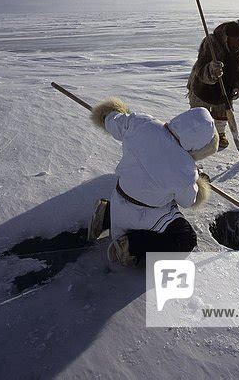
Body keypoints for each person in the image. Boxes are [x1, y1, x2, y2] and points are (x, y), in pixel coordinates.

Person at [87, 98, 219, 266]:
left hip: (119, 199)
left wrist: (109, 115)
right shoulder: (185, 170)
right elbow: (187, 201)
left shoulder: (141, 122)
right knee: (186, 239)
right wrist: (197, 181)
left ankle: (106, 214)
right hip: (146, 214)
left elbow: (113, 121)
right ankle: (132, 246)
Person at [187, 20, 239, 149]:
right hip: (202, 86)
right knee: (200, 113)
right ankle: (199, 135)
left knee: (222, 112)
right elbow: (200, 67)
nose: (237, 47)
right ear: (227, 38)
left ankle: (220, 134)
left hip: (226, 85)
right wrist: (211, 70)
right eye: (234, 43)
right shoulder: (210, 43)